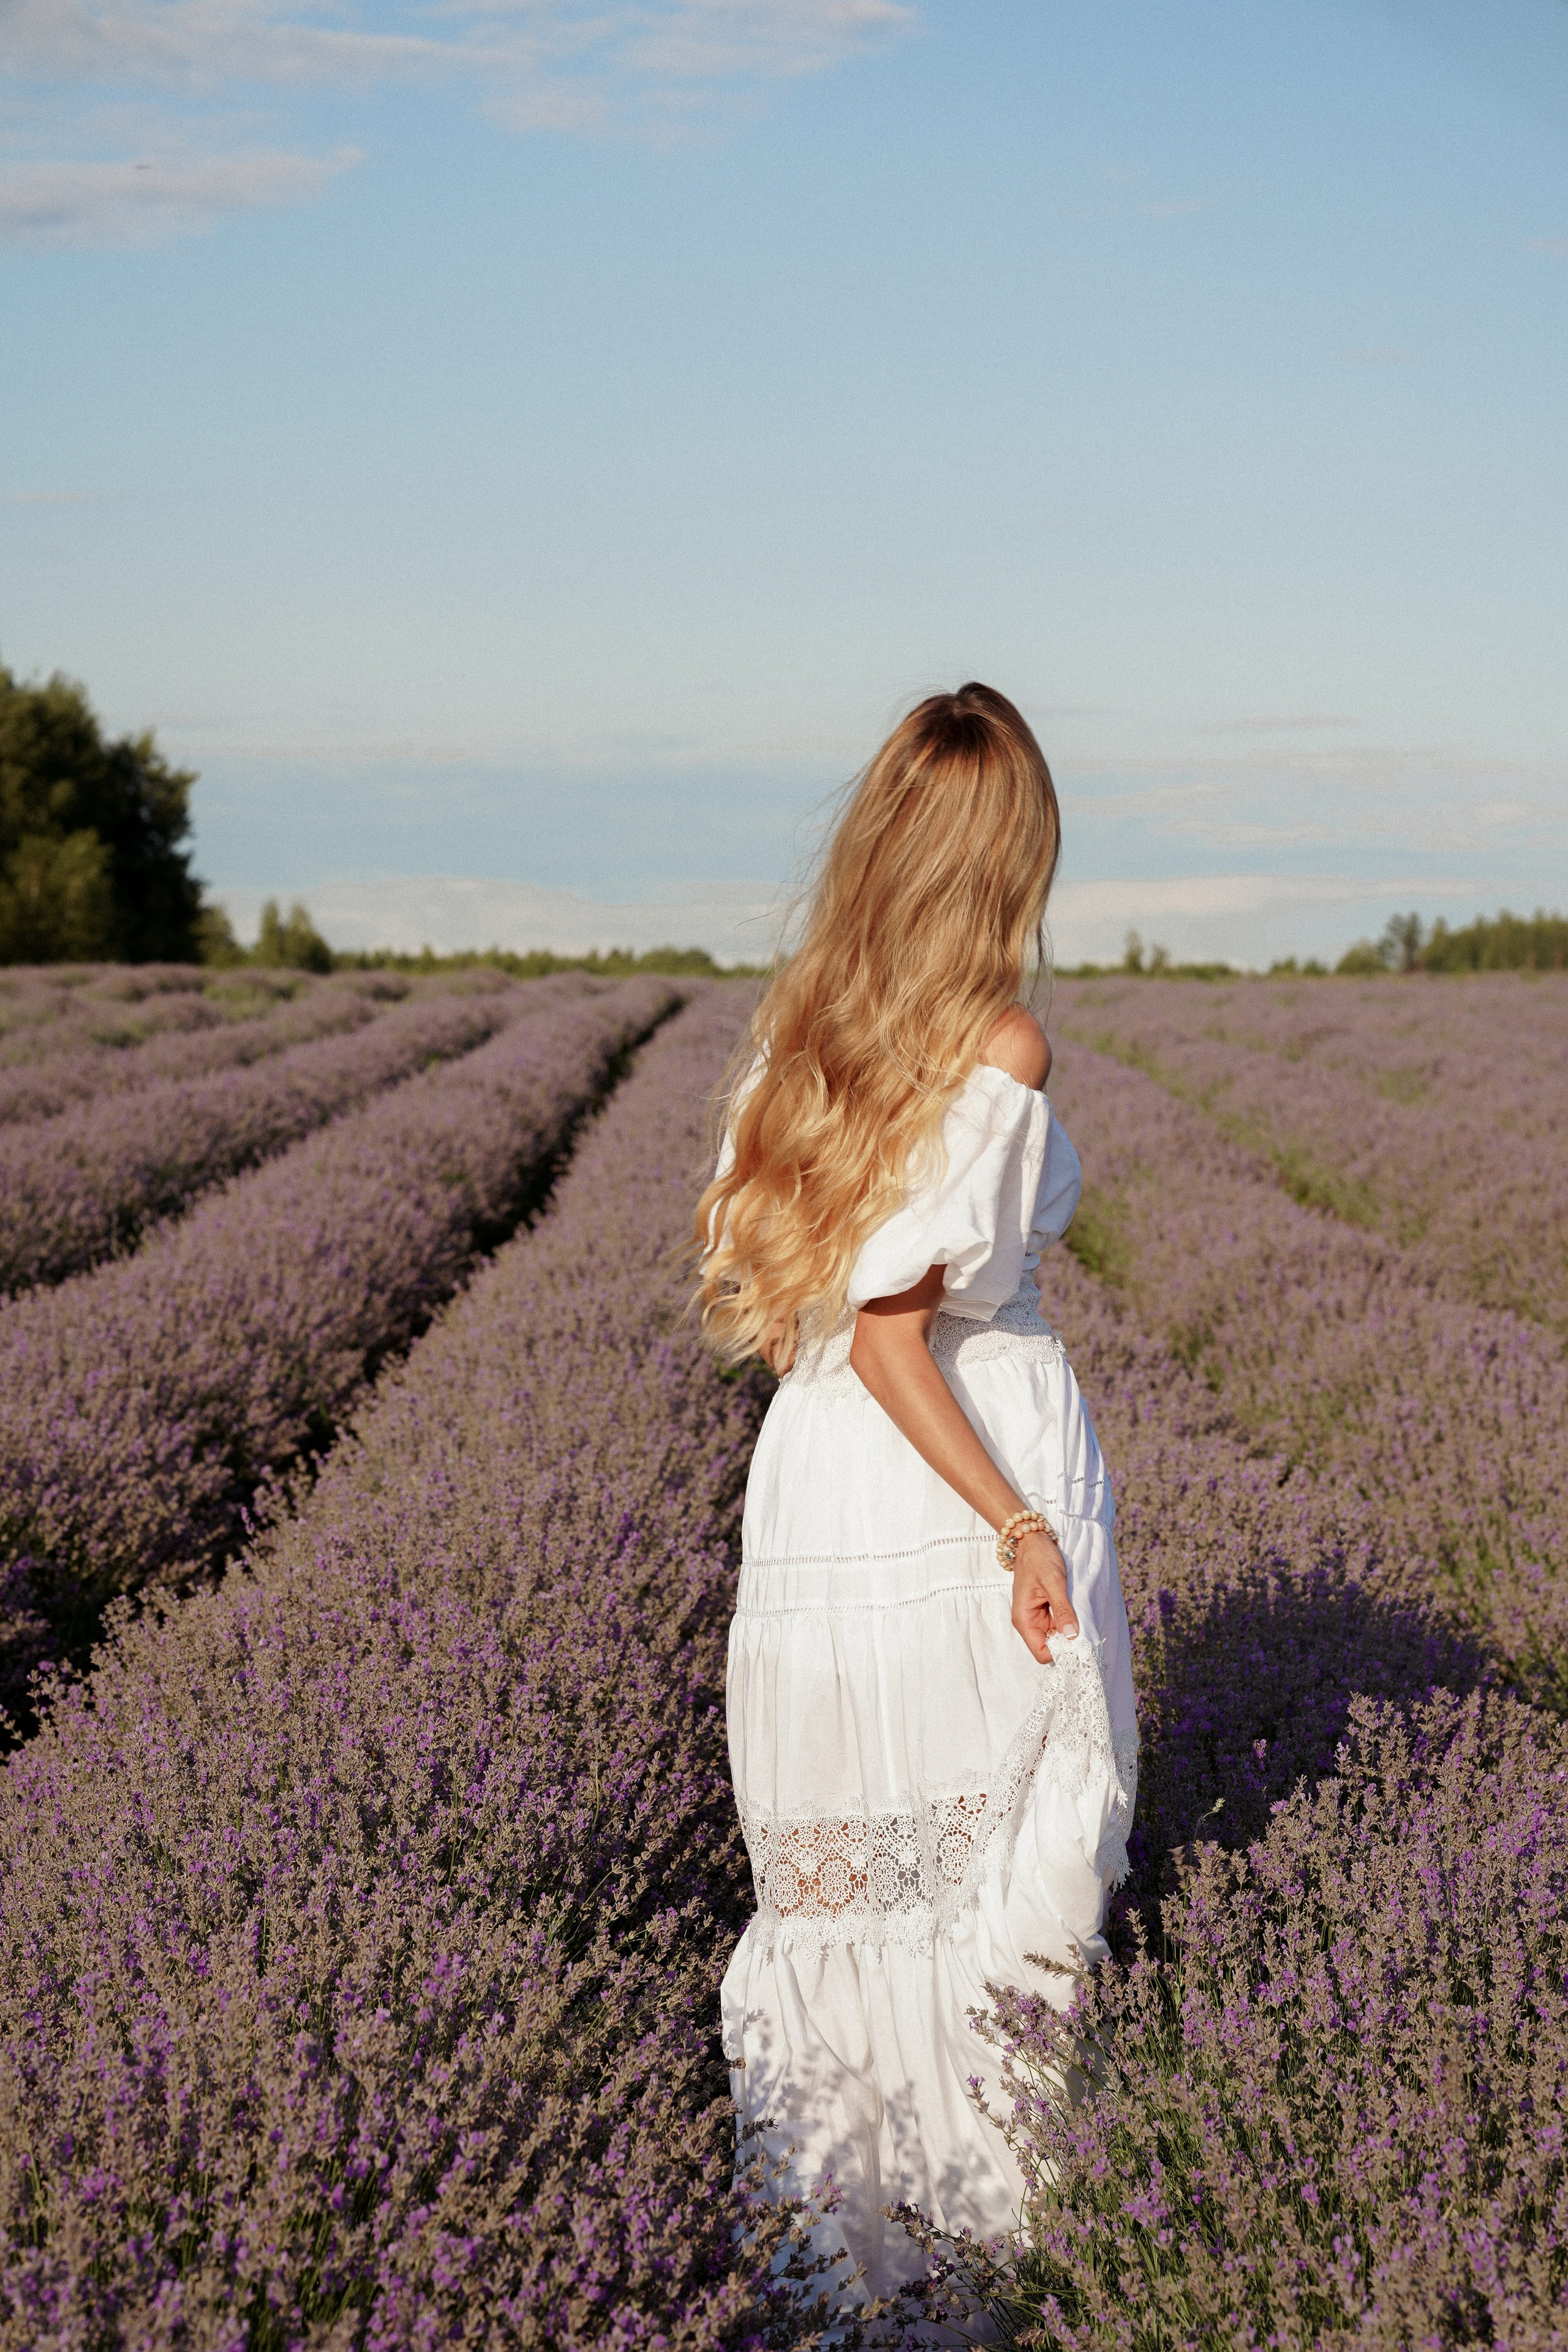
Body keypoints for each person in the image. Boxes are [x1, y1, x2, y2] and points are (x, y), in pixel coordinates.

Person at [695, 684, 1139, 2304]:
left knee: (852, 1903)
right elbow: (896, 1332)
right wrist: (1018, 1527)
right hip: (961, 1489)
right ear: (1010, 855)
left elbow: (813, 1332)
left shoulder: (805, 1043)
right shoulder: (1001, 1041)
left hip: (824, 1503)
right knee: (1010, 1899)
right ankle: (976, 2294)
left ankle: (841, 2294)